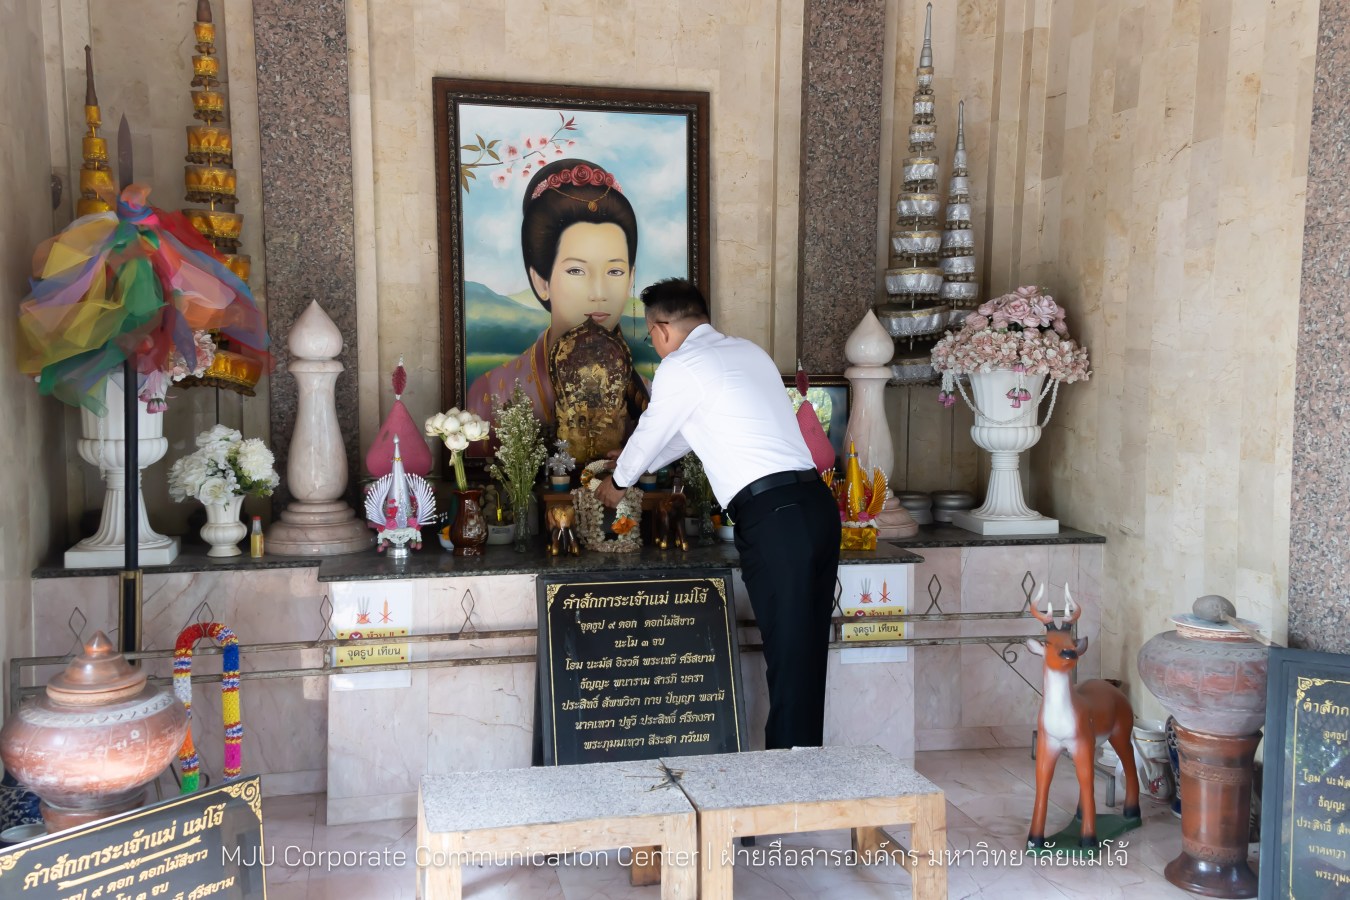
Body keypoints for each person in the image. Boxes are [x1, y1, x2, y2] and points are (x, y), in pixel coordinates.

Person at [596, 279, 842, 750]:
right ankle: (804, 768)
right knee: (807, 652)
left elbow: (652, 429)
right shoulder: (748, 352)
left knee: (789, 656)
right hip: (814, 507)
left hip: (775, 517)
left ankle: (787, 782)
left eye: (650, 334)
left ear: (663, 328)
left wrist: (619, 482)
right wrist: (630, 460)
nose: (654, 344)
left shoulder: (682, 366)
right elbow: (687, 435)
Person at [465, 158, 649, 457]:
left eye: (614, 272)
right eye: (576, 271)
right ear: (541, 281)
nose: (599, 293)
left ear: (631, 278)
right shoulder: (489, 394)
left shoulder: (652, 395)